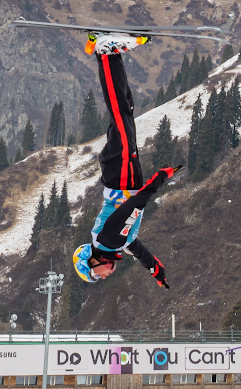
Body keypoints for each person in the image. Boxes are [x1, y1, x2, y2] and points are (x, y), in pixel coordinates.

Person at [72, 33, 175, 289]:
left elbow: (135, 205)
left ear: (94, 261)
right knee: (125, 112)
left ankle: (105, 52)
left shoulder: (108, 239)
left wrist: (161, 178)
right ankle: (111, 54)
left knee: (121, 114)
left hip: (120, 177)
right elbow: (140, 252)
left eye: (98, 274)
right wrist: (157, 271)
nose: (104, 276)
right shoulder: (118, 243)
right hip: (122, 176)